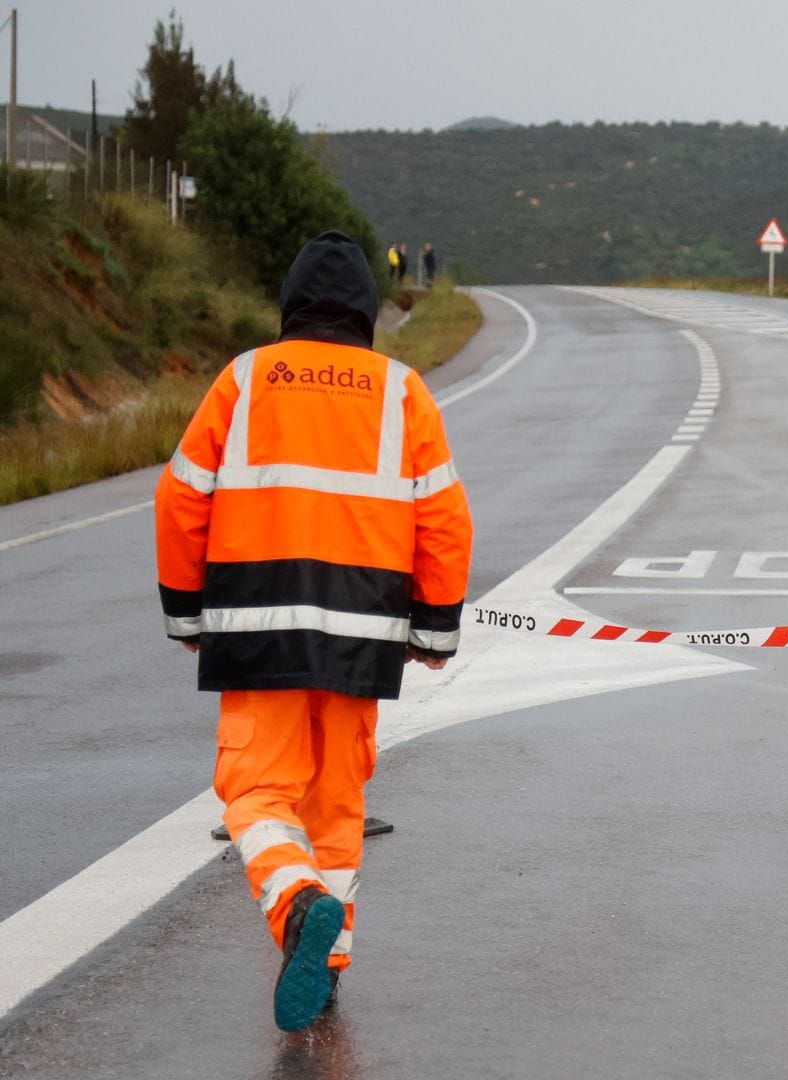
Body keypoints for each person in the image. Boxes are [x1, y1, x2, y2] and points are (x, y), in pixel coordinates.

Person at [154, 231, 473, 1032]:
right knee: (335, 808)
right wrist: (433, 630)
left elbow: (181, 497)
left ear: (290, 307)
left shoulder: (247, 378)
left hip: (257, 627)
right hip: (362, 638)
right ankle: (326, 973)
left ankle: (298, 909)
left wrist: (185, 613)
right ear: (367, 313)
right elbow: (444, 518)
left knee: (257, 793)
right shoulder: (402, 391)